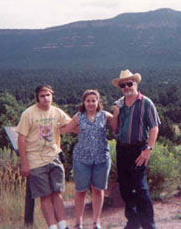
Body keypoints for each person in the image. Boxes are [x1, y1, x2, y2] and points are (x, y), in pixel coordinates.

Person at [16, 85, 71, 229]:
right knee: (45, 195)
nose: (46, 98)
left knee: (57, 193)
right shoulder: (29, 114)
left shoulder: (56, 111)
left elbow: (71, 125)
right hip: (36, 161)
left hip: (54, 156)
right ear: (37, 98)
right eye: (42, 96)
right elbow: (21, 138)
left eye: (48, 95)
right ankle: (52, 226)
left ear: (52, 96)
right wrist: (25, 163)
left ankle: (63, 225)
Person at [111, 70, 160, 229]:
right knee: (125, 188)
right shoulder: (119, 104)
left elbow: (154, 127)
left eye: (129, 83)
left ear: (135, 84)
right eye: (122, 85)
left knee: (140, 187)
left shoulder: (146, 103)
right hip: (122, 150)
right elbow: (115, 129)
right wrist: (116, 114)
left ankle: (148, 224)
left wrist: (148, 149)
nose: (126, 87)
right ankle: (133, 221)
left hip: (139, 149)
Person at [60, 89, 113, 229]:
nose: (90, 103)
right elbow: (65, 129)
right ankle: (78, 223)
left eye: (93, 101)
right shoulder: (79, 116)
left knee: (98, 190)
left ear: (98, 102)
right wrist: (46, 129)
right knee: (81, 191)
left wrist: (118, 110)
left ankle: (96, 222)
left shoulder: (105, 116)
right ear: (84, 102)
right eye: (88, 101)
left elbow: (118, 125)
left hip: (101, 159)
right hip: (82, 159)